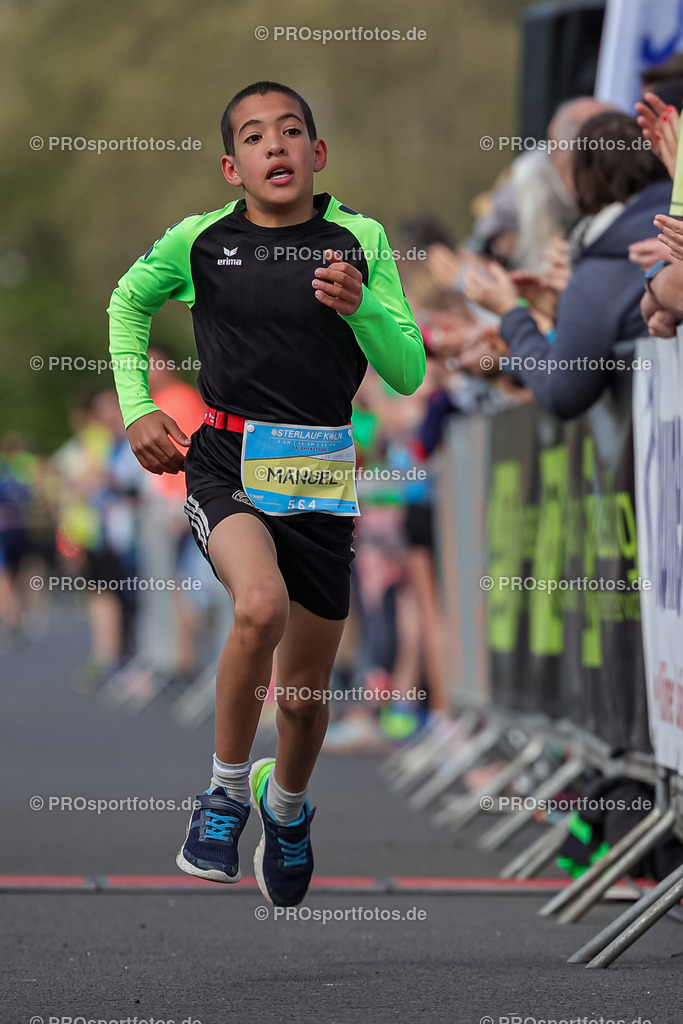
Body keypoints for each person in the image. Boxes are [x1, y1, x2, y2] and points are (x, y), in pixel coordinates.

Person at [108, 81, 425, 906]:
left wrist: (362, 312)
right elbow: (126, 303)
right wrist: (138, 408)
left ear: (317, 155)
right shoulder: (199, 240)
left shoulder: (359, 238)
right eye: (254, 136)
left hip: (321, 478)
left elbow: (407, 369)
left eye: (291, 132)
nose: (274, 145)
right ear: (231, 166)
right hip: (225, 463)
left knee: (305, 701)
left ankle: (282, 806)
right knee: (257, 608)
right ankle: (220, 793)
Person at [463, 111, 671, 419]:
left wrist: (511, 314)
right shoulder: (669, 223)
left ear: (580, 180)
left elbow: (562, 391)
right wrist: (562, 310)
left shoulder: (596, 276)